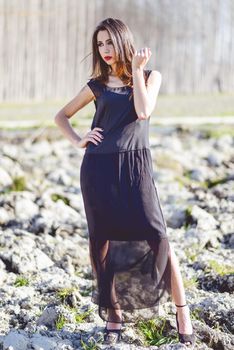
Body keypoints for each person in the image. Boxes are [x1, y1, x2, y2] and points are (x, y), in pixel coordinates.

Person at [54, 17, 195, 347]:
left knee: (158, 235)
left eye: (108, 42)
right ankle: (113, 313)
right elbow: (61, 117)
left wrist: (134, 69)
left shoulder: (149, 76)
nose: (104, 49)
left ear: (122, 41)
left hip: (136, 168)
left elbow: (144, 111)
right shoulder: (96, 85)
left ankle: (182, 310)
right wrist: (78, 140)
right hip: (97, 170)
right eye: (99, 44)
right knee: (100, 241)